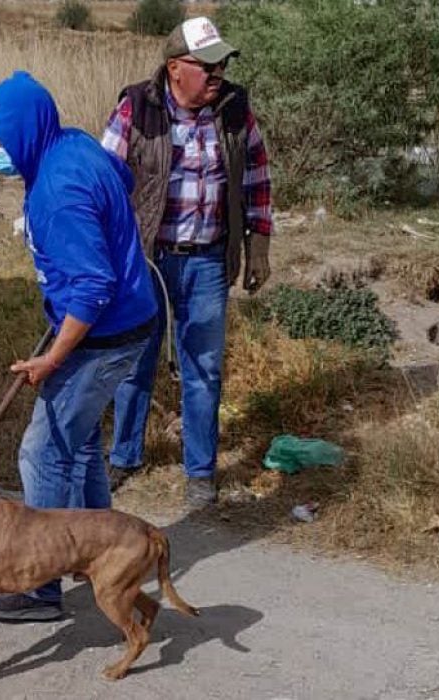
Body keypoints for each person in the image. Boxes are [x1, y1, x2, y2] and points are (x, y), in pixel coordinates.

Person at [0, 71, 158, 623]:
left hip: (105, 334)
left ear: (24, 131)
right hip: (123, 324)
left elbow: (93, 286)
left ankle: (39, 586)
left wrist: (52, 357)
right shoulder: (70, 146)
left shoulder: (58, 190)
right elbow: (122, 181)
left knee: (42, 451)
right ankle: (102, 549)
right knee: (83, 443)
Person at [101, 16, 274, 510]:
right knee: (135, 360)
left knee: (204, 368)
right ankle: (125, 457)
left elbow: (256, 177)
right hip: (146, 261)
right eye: (208, 64)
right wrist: (109, 255)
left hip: (207, 260)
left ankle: (200, 472)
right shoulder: (136, 108)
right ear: (176, 67)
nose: (218, 72)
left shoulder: (235, 110)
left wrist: (258, 242)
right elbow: (105, 180)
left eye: (223, 62)